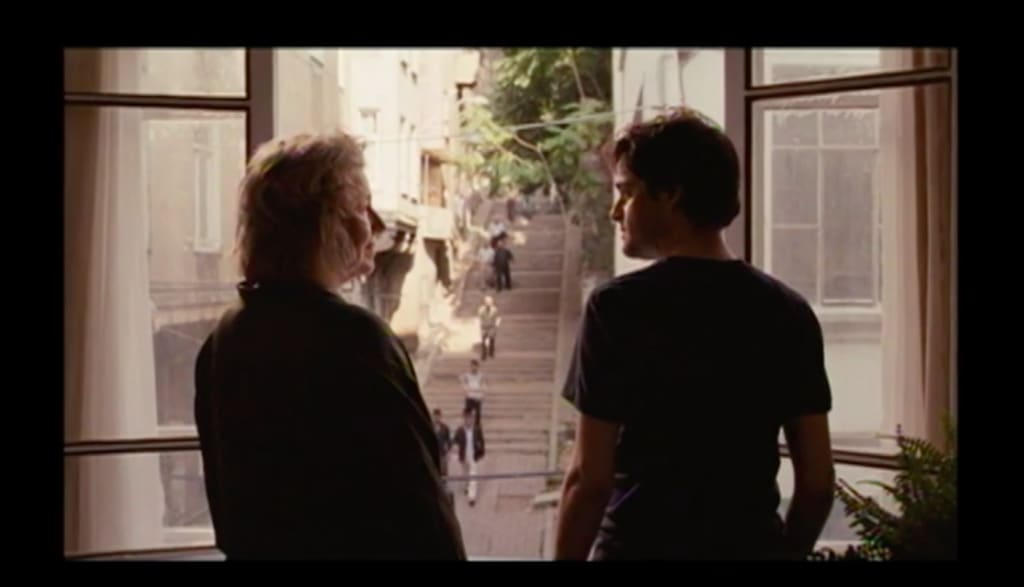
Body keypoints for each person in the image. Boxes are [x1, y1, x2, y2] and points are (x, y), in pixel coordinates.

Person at [555, 108, 835, 561]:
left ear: (670, 194)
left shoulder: (617, 310)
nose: (615, 211)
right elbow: (818, 484)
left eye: (627, 192)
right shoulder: (789, 312)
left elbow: (590, 479)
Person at [194, 131, 466, 560]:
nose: (376, 225)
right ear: (322, 225)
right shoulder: (357, 340)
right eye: (362, 208)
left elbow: (229, 514)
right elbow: (421, 511)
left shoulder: (223, 339)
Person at [452, 407, 486, 507]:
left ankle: (472, 497)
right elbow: (454, 441)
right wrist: (454, 448)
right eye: (467, 418)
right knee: (465, 474)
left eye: (471, 418)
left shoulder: (477, 430)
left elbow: (482, 441)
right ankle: (466, 486)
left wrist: (481, 452)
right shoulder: (460, 430)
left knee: (473, 475)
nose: (469, 420)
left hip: (473, 456)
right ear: (464, 418)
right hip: (463, 456)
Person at [459, 359, 487, 427]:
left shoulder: (480, 375)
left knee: (478, 413)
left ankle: (477, 427)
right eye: (472, 366)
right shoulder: (467, 375)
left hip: (477, 397)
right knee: (468, 412)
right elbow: (462, 382)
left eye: (475, 366)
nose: (474, 368)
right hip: (470, 396)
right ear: (470, 366)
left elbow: (483, 385)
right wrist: (465, 391)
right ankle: (466, 425)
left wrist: (483, 395)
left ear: (477, 367)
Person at [477, 296, 501, 360]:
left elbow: (497, 318)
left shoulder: (495, 309)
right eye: (487, 302)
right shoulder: (481, 309)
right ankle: (484, 354)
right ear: (484, 303)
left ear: (492, 303)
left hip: (492, 327)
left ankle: (491, 352)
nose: (488, 304)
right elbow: (479, 318)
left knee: (491, 340)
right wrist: (480, 325)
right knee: (483, 341)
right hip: (484, 327)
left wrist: (496, 325)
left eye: (489, 302)